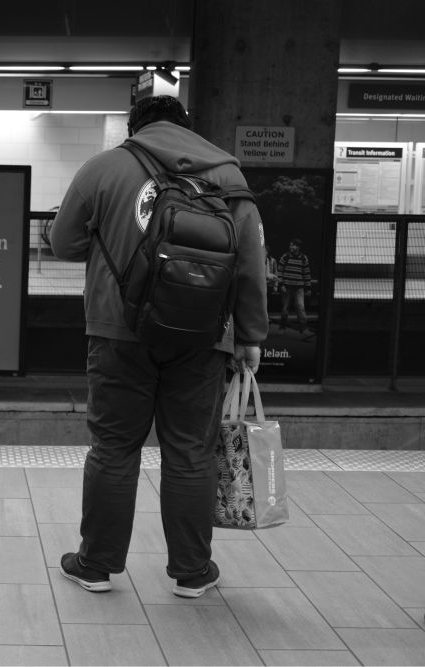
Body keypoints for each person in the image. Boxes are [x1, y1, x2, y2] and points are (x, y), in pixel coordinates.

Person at [49, 96, 267, 599]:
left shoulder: (104, 168)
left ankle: (96, 565)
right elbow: (253, 266)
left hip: (119, 332)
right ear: (187, 128)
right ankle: (192, 572)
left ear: (134, 127)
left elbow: (63, 244)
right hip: (205, 337)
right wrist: (251, 337)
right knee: (191, 451)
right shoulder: (230, 176)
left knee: (115, 448)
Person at [278, 237, 312, 332]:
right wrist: (282, 285)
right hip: (287, 286)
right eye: (290, 245)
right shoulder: (285, 256)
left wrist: (308, 288)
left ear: (298, 247)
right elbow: (280, 271)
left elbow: (306, 273)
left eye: (293, 245)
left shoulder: (303, 258)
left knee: (300, 307)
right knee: (285, 308)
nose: (291, 247)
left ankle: (303, 327)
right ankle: (282, 326)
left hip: (299, 288)